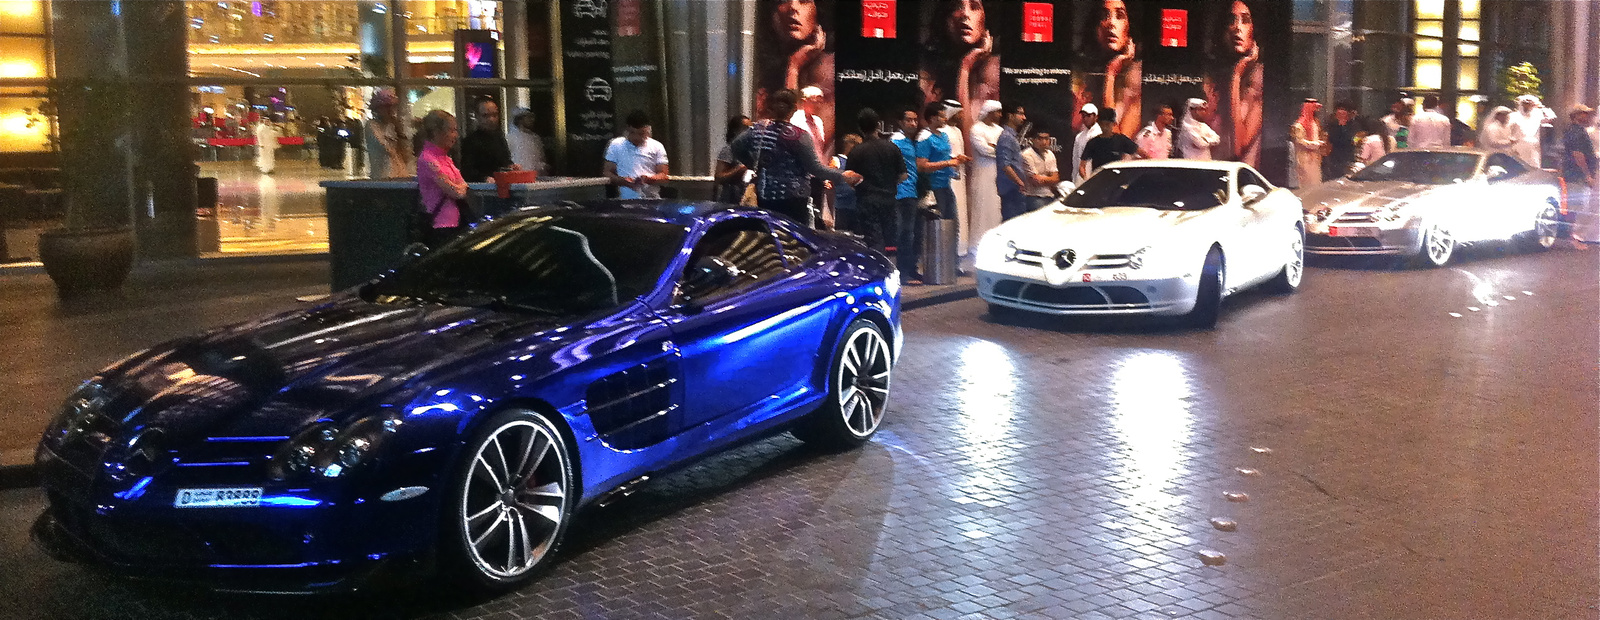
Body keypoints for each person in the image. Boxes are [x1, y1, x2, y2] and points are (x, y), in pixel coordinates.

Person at [728, 89, 860, 226]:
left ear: (771, 108)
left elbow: (735, 147)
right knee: (794, 239)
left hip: (765, 195)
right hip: (794, 198)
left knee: (770, 235)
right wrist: (843, 175)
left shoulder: (758, 130)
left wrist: (755, 164)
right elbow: (815, 168)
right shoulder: (799, 136)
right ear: (794, 108)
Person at [921, 0, 1001, 142]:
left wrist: (965, 66)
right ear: (945, 18)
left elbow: (970, 143)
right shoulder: (927, 68)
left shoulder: (992, 68)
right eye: (955, 7)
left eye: (974, 7)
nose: (964, 14)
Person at [757, 0, 833, 147]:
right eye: (783, 1)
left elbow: (792, 133)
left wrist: (794, 68)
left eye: (803, 1)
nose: (792, 7)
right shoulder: (766, 67)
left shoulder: (827, 68)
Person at [1203, 0, 1263, 165]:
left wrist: (1236, 76)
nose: (1237, 27)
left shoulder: (1259, 80)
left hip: (1242, 178)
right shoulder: (1209, 77)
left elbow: (1237, 149)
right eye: (1231, 20)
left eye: (1245, 20)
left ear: (1254, 29)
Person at [1075, 0, 1141, 137]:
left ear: (1130, 25)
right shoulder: (1080, 75)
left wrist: (1110, 73)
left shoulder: (1136, 82)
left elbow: (1114, 138)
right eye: (1104, 16)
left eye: (1120, 16)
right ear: (1095, 27)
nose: (1111, 23)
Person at [845, 108, 906, 251]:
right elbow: (904, 175)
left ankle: (877, 270)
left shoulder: (857, 151)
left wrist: (860, 185)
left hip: (867, 200)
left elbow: (848, 177)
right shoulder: (892, 147)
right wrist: (890, 183)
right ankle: (891, 269)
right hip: (889, 198)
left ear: (860, 128)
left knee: (873, 240)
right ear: (878, 125)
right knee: (890, 241)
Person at [416, 109, 471, 248]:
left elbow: (463, 184)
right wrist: (459, 188)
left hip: (457, 222)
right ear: (436, 132)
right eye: (451, 130)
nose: (455, 135)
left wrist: (459, 187)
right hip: (440, 225)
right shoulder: (427, 159)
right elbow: (456, 192)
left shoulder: (446, 158)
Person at [916, 100, 972, 224]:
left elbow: (945, 158)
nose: (945, 119)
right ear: (932, 118)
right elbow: (922, 166)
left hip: (946, 185)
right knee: (938, 224)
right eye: (941, 116)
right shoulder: (924, 137)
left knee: (951, 222)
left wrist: (955, 161)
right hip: (932, 188)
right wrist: (948, 163)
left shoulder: (943, 136)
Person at [604, 110, 670, 199]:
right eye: (632, 133)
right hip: (626, 201)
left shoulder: (657, 146)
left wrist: (649, 179)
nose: (637, 137)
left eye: (641, 134)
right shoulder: (615, 145)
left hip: (651, 200)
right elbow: (607, 172)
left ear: (648, 130)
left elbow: (664, 175)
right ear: (627, 129)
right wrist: (623, 181)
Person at [966, 100, 1003, 254]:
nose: (1000, 115)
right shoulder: (976, 129)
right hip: (982, 174)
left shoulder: (1000, 130)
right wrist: (996, 148)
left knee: (996, 208)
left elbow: (1001, 149)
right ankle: (977, 245)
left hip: (998, 174)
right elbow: (984, 150)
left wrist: (995, 147)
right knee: (981, 209)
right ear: (989, 113)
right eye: (998, 112)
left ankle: (996, 244)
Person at [890, 108, 924, 279]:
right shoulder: (896, 141)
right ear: (901, 122)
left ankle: (909, 269)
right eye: (909, 120)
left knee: (910, 233)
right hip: (901, 193)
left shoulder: (910, 142)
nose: (913, 123)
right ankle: (903, 272)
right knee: (904, 233)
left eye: (915, 120)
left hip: (911, 191)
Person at [937, 100, 971, 256]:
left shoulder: (957, 130)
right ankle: (950, 254)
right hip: (947, 177)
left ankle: (961, 250)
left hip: (959, 175)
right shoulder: (942, 131)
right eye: (959, 113)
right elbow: (940, 154)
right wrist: (954, 158)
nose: (962, 116)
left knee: (960, 214)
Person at [1561, 104, 1597, 243]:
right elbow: (1578, 154)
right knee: (1574, 206)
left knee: (1578, 206)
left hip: (1575, 173)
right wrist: (1587, 174)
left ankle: (1572, 236)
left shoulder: (1578, 130)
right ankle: (1571, 237)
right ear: (1575, 115)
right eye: (1583, 113)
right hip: (1576, 174)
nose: (1587, 116)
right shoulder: (1576, 132)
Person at [458, 97, 517, 183]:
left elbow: (505, 161)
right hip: (482, 191)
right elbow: (467, 171)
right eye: (486, 116)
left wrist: (511, 167)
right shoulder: (470, 141)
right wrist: (484, 179)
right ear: (477, 116)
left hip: (502, 187)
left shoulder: (499, 137)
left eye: (495, 115)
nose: (491, 119)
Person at [365, 89, 414, 179]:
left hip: (400, 174)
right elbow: (387, 149)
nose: (391, 111)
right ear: (378, 109)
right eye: (386, 107)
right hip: (383, 176)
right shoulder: (371, 125)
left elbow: (406, 154)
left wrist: (400, 133)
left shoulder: (392, 126)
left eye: (393, 107)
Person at [1080, 108, 1139, 179]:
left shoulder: (1121, 140)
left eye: (1107, 124)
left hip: (1117, 181)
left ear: (1113, 124)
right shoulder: (1093, 143)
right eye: (1102, 124)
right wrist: (1087, 179)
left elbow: (1142, 153)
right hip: (1099, 181)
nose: (1105, 127)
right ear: (1098, 123)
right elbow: (1082, 166)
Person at [995, 105, 1028, 221]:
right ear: (1010, 116)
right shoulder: (1006, 137)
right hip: (1011, 189)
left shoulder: (1012, 136)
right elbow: (1005, 164)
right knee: (1012, 224)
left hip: (1014, 188)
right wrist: (1019, 182)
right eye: (1020, 114)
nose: (1023, 118)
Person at [714, 115, 754, 204]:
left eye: (751, 128)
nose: (749, 131)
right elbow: (719, 177)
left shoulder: (752, 150)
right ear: (735, 130)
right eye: (745, 128)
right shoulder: (729, 149)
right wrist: (739, 169)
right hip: (731, 199)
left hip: (747, 198)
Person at [1509, 95, 1553, 167]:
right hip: (1519, 147)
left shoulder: (1537, 116)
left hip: (1533, 147)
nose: (1527, 106)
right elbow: (1509, 132)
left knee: (1534, 168)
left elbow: (1551, 116)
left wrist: (1541, 106)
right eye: (1525, 104)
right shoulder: (1514, 116)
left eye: (1530, 104)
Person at [1291, 98, 1326, 187]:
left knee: (1316, 181)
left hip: (1315, 157)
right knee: (1306, 182)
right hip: (1304, 158)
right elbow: (1299, 141)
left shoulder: (1315, 122)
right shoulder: (1299, 125)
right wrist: (1314, 144)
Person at [1020, 131, 1059, 212]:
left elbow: (1056, 179)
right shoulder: (1027, 155)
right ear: (1033, 140)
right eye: (1040, 139)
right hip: (1033, 196)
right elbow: (1035, 181)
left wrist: (1042, 177)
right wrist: (1049, 177)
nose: (1044, 142)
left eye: (1046, 139)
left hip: (1050, 195)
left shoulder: (1050, 154)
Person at [507, 107, 549, 175]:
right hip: (519, 176)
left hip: (536, 176)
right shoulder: (510, 137)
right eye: (528, 117)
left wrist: (542, 166)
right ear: (520, 120)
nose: (532, 120)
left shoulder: (536, 138)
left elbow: (540, 158)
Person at [1324, 102, 1359, 180]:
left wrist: (1344, 127)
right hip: (1335, 154)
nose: (1341, 115)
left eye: (1343, 113)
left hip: (1348, 153)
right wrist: (1340, 126)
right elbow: (1332, 138)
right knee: (1335, 175)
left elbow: (1352, 137)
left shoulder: (1352, 124)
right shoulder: (1332, 124)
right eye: (1339, 113)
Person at [1070, 103, 1103, 183]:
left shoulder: (1100, 134)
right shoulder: (1079, 136)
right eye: (1084, 116)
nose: (1085, 118)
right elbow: (1075, 159)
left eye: (1088, 116)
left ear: (1096, 117)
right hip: (1080, 178)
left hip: (1095, 177)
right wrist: (1074, 177)